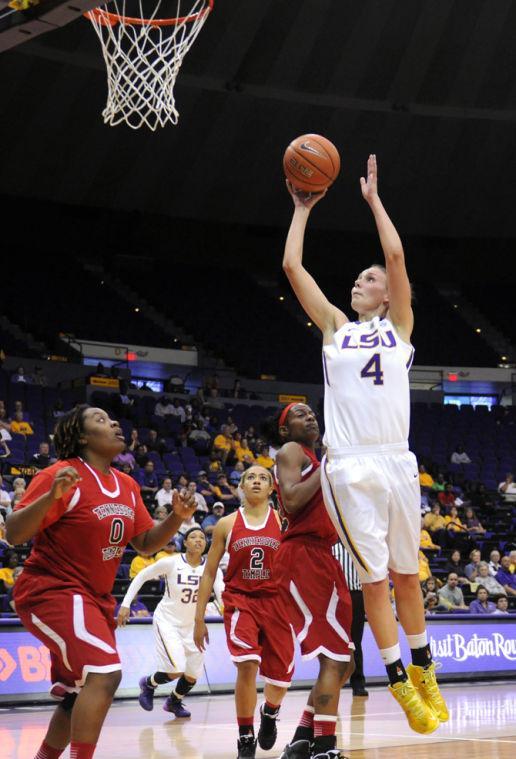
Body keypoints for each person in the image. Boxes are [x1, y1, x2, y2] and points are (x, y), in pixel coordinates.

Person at [282, 154, 446, 735]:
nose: (360, 281)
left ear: (387, 296)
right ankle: (398, 677)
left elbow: (397, 256)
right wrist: (302, 209)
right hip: (349, 465)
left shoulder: (398, 327)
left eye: (368, 279)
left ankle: (425, 664)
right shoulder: (333, 329)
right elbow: (292, 266)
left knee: (407, 574)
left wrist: (375, 202)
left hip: (398, 459)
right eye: (358, 277)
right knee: (374, 578)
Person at [5, 404, 197, 759]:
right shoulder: (61, 474)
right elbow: (14, 533)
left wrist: (176, 518)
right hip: (52, 590)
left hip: (93, 599)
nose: (113, 423)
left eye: (112, 418)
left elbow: (145, 543)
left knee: (80, 693)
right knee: (105, 676)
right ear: (81, 436)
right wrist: (51, 498)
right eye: (100, 420)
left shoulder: (126, 484)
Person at [263, 403, 354, 759]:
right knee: (334, 658)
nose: (310, 416)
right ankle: (324, 749)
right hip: (302, 556)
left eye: (311, 412)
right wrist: (329, 465)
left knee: (346, 662)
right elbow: (292, 498)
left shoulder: (316, 462)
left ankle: (303, 737)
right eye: (299, 414)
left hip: (322, 557)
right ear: (284, 430)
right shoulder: (291, 451)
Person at [194, 466, 293, 759]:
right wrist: (199, 619)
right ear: (241, 486)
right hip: (241, 601)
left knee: (280, 679)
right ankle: (245, 736)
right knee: (247, 664)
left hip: (277, 603)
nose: (257, 481)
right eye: (250, 477)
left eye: (263, 477)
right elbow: (209, 571)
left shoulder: (283, 521)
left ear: (273, 488)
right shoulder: (226, 523)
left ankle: (270, 712)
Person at [118, 526, 223, 718]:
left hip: (193, 625)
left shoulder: (212, 568)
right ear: (184, 543)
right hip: (168, 621)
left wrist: (229, 613)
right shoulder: (172, 562)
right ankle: (148, 684)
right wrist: (125, 604)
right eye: (193, 536)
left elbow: (222, 594)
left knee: (192, 675)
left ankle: (174, 702)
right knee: (176, 670)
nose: (199, 540)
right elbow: (141, 576)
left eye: (202, 537)